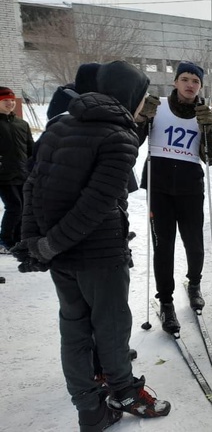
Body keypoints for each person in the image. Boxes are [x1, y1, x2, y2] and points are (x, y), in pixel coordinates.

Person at [17, 60, 171, 430]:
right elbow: (96, 205)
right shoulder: (119, 138)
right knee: (111, 327)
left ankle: (90, 408)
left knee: (74, 328)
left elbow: (32, 187)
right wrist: (48, 244)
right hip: (99, 256)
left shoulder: (59, 126)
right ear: (130, 95)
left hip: (63, 255)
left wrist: (36, 242)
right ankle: (123, 391)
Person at [135, 60, 212, 333]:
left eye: (195, 81)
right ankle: (167, 301)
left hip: (190, 188)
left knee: (194, 244)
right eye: (185, 79)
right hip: (159, 187)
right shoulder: (156, 106)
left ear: (200, 86)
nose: (190, 84)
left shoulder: (204, 113)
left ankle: (194, 283)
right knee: (164, 247)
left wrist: (209, 130)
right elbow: (132, 141)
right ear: (175, 82)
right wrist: (140, 119)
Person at [0, 87, 33, 253]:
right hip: (3, 175)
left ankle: (18, 239)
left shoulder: (22, 124)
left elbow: (30, 149)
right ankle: (5, 241)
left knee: (25, 207)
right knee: (15, 207)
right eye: (6, 100)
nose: (10, 103)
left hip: (22, 173)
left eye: (12, 100)